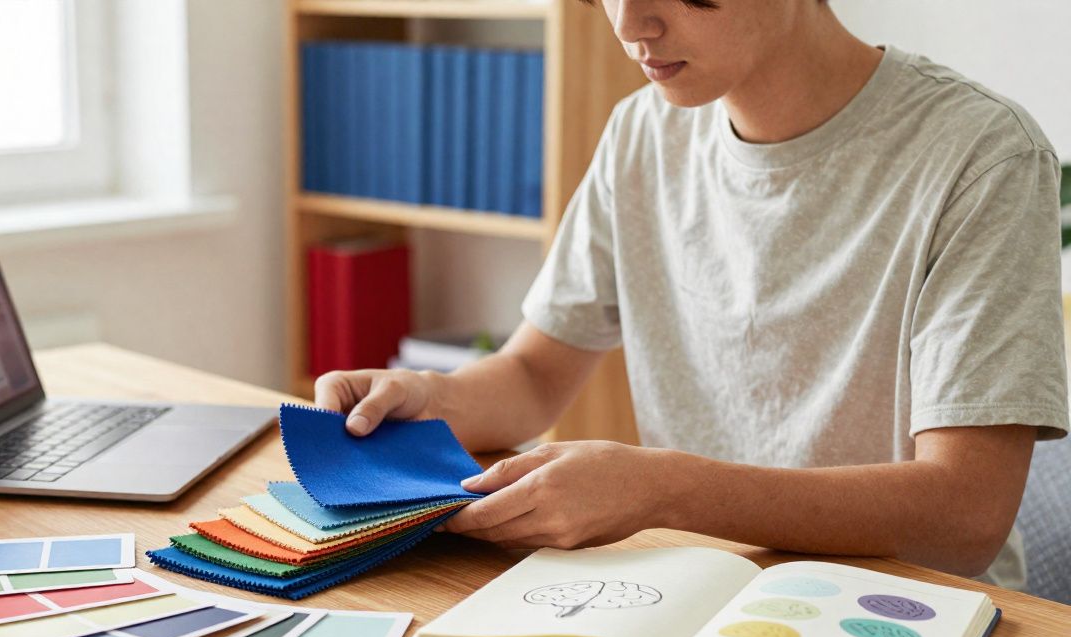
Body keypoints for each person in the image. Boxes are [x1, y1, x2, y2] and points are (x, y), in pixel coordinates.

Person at [314, 0, 1069, 588]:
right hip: (698, 591)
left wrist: (665, 489)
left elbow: (966, 514)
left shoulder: (981, 156)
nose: (632, 25)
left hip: (916, 614)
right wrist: (425, 395)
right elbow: (535, 377)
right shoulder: (641, 134)